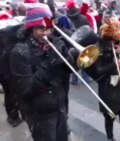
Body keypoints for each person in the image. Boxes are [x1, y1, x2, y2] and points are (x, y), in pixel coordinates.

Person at [9, 3, 78, 141]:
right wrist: (50, 62)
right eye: (41, 28)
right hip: (39, 116)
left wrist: (65, 55)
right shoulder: (20, 52)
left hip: (60, 108)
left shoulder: (51, 44)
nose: (46, 33)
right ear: (30, 28)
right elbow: (26, 89)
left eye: (48, 28)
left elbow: (71, 70)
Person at [84, 18, 120, 141]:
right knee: (109, 115)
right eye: (112, 41)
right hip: (106, 85)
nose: (114, 43)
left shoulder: (115, 43)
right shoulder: (97, 48)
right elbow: (98, 71)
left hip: (119, 82)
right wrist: (115, 64)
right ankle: (110, 138)